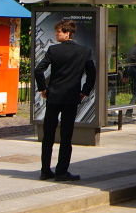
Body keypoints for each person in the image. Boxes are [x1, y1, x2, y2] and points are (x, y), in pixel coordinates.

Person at [33, 19, 96, 181]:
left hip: (53, 97)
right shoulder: (84, 51)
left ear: (67, 33)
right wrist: (84, 92)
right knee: (66, 136)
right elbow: (92, 74)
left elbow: (39, 70)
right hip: (71, 98)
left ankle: (45, 170)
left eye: (58, 32)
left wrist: (43, 88)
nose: (56, 34)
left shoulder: (53, 51)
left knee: (48, 135)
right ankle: (61, 171)